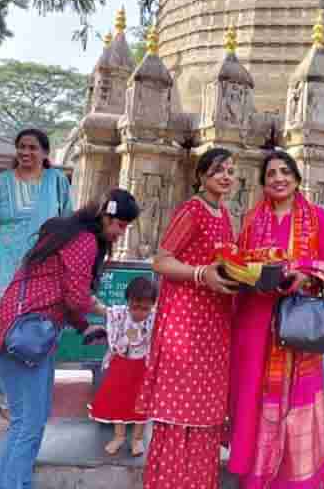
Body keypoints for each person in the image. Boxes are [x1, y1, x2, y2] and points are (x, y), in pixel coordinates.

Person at [0, 188, 138, 489]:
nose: (121, 233)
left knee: (28, 421)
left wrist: (84, 328)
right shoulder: (84, 241)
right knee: (28, 424)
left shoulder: (68, 235)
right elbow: (78, 297)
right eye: (120, 225)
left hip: (14, 335)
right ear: (106, 216)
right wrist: (112, 313)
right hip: (23, 339)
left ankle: (15, 482)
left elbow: (64, 297)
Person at [228, 151, 324, 488]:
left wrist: (308, 277)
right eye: (271, 173)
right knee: (256, 399)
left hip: (300, 326)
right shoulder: (249, 221)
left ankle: (296, 480)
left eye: (285, 172)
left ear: (297, 179)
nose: (278, 178)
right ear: (263, 182)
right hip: (255, 323)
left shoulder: (317, 219)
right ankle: (257, 476)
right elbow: (237, 265)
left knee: (301, 402)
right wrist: (246, 272)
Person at [138, 148, 242, 489]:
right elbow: (161, 261)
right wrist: (201, 275)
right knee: (180, 408)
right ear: (201, 176)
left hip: (214, 322)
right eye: (217, 170)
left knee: (207, 410)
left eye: (230, 170)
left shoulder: (224, 213)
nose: (225, 176)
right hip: (186, 321)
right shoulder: (191, 211)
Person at [0, 128, 72, 429]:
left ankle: (19, 403)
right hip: (2, 268)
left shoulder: (57, 183)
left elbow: (69, 225)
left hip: (41, 270)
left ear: (45, 153)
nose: (26, 153)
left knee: (32, 330)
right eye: (21, 147)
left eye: (33, 148)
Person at [88, 276, 158, 456]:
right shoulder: (119, 313)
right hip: (121, 365)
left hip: (143, 367)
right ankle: (119, 436)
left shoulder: (156, 317)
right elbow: (100, 309)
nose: (139, 312)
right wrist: (85, 294)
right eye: (135, 306)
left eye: (145, 308)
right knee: (117, 401)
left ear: (152, 305)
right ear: (127, 301)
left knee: (141, 404)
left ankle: (137, 439)